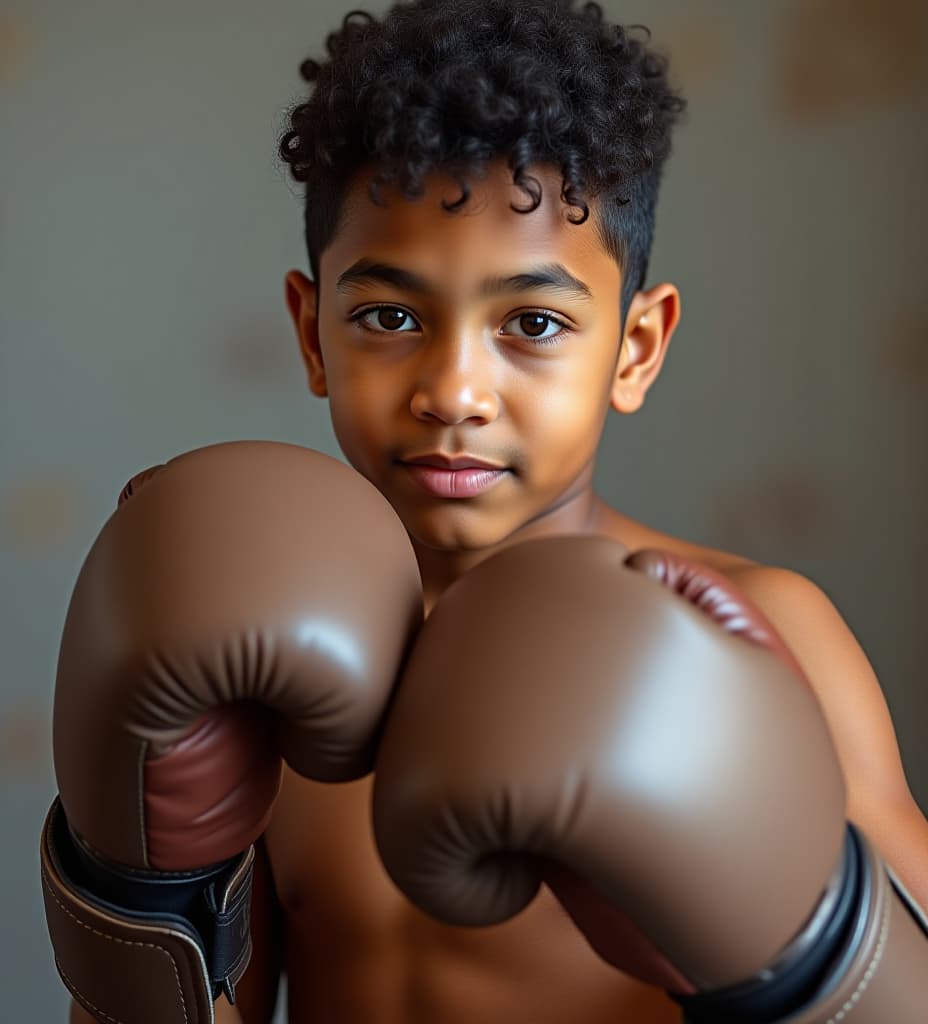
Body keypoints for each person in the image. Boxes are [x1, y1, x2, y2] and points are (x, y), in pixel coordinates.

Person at [58, 1, 928, 1021]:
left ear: (635, 347)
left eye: (533, 321)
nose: (455, 389)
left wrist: (798, 938)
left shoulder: (754, 630)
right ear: (310, 331)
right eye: (389, 316)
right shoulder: (249, 663)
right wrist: (134, 893)